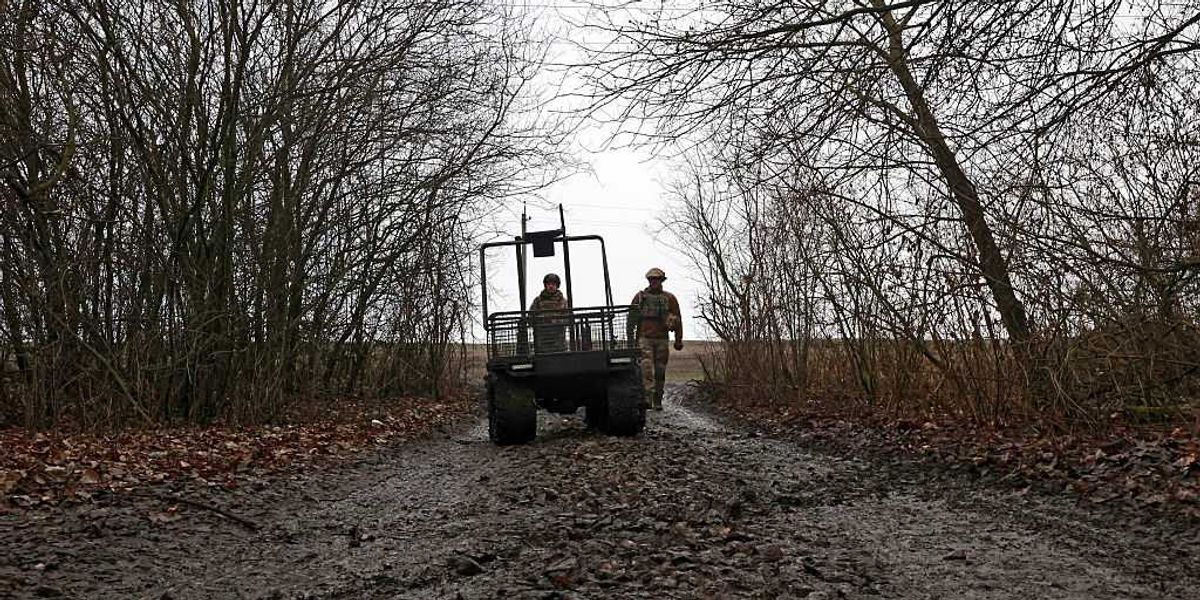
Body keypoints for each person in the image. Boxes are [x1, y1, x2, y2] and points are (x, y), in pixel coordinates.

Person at [630, 267, 683, 410]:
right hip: (645, 338)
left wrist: (678, 340)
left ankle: (657, 400)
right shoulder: (640, 297)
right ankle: (647, 398)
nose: (654, 282)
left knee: (660, 371)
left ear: (661, 281)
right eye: (652, 279)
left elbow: (678, 319)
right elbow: (631, 320)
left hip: (662, 339)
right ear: (648, 281)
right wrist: (630, 341)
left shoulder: (669, 298)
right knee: (646, 370)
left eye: (657, 279)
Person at [530, 272, 569, 353]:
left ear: (557, 286)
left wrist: (556, 321)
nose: (551, 286)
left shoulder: (563, 301)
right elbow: (530, 317)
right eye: (549, 284)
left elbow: (567, 318)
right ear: (545, 285)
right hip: (542, 341)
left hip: (559, 341)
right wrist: (542, 321)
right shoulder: (538, 301)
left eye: (553, 284)